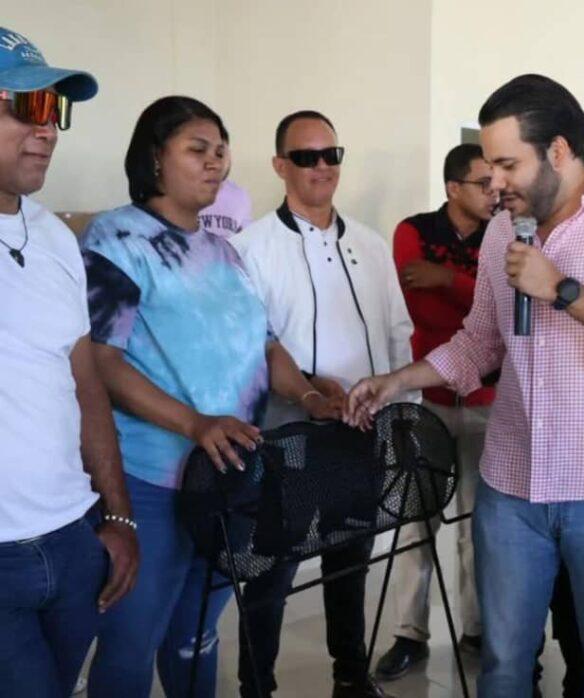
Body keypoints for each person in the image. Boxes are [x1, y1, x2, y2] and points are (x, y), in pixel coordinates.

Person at [345, 73, 584, 698]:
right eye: (488, 166)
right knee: (503, 663)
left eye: (507, 164)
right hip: (512, 483)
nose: (494, 184)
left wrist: (563, 289)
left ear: (558, 151)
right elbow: (480, 342)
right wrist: (397, 380)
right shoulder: (506, 229)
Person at [82, 96, 344, 698]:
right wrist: (195, 423)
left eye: (221, 151)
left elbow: (266, 346)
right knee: (132, 642)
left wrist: (308, 395)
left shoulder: (224, 252)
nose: (215, 164)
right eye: (197, 150)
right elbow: (100, 364)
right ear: (154, 159)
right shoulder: (117, 236)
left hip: (227, 481)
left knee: (198, 634)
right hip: (152, 481)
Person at [230, 109, 413, 698]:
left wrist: (399, 411)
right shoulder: (249, 247)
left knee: (350, 559)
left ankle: (351, 677)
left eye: (331, 154)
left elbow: (397, 335)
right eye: (306, 156)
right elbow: (249, 346)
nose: (321, 167)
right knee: (272, 570)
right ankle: (257, 686)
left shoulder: (370, 243)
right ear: (280, 165)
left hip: (363, 428)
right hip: (288, 434)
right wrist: (308, 388)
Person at [0, 25, 139, 698]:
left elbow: (85, 389)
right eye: (24, 107)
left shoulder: (54, 238)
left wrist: (117, 515)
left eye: (53, 109)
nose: (47, 129)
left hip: (71, 541)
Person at [375, 143, 497, 680]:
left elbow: (499, 312)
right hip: (430, 400)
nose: (495, 192)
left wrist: (449, 280)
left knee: (479, 526)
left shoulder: (505, 235)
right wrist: (473, 298)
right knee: (413, 523)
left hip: (492, 404)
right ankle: (409, 634)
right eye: (482, 183)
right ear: (453, 188)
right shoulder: (414, 231)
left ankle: (476, 631)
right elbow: (418, 305)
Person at [198, 134, 251, 238]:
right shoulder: (177, 195)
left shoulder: (240, 195)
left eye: (220, 154)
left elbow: (246, 240)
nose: (214, 163)